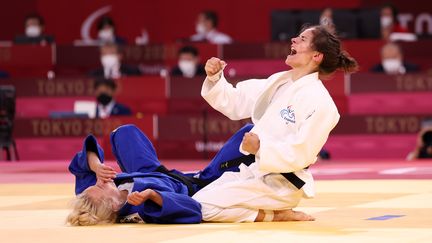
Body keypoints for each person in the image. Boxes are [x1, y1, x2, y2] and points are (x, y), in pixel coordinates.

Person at [191, 25, 358, 222]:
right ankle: (271, 213)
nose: (294, 40)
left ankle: (271, 215)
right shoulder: (279, 82)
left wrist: (261, 149)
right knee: (193, 202)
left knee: (201, 209)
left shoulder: (322, 103)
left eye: (303, 39)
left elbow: (302, 153)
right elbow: (236, 101)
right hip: (254, 173)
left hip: (281, 184)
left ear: (316, 56)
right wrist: (215, 77)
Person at [67, 123, 258, 225]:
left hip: (147, 171)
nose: (99, 182)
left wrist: (96, 165)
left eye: (95, 183)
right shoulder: (142, 210)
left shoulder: (90, 195)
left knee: (123, 133)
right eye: (100, 186)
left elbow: (81, 162)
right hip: (198, 184)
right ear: (115, 205)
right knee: (248, 134)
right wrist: (153, 195)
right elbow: (194, 209)